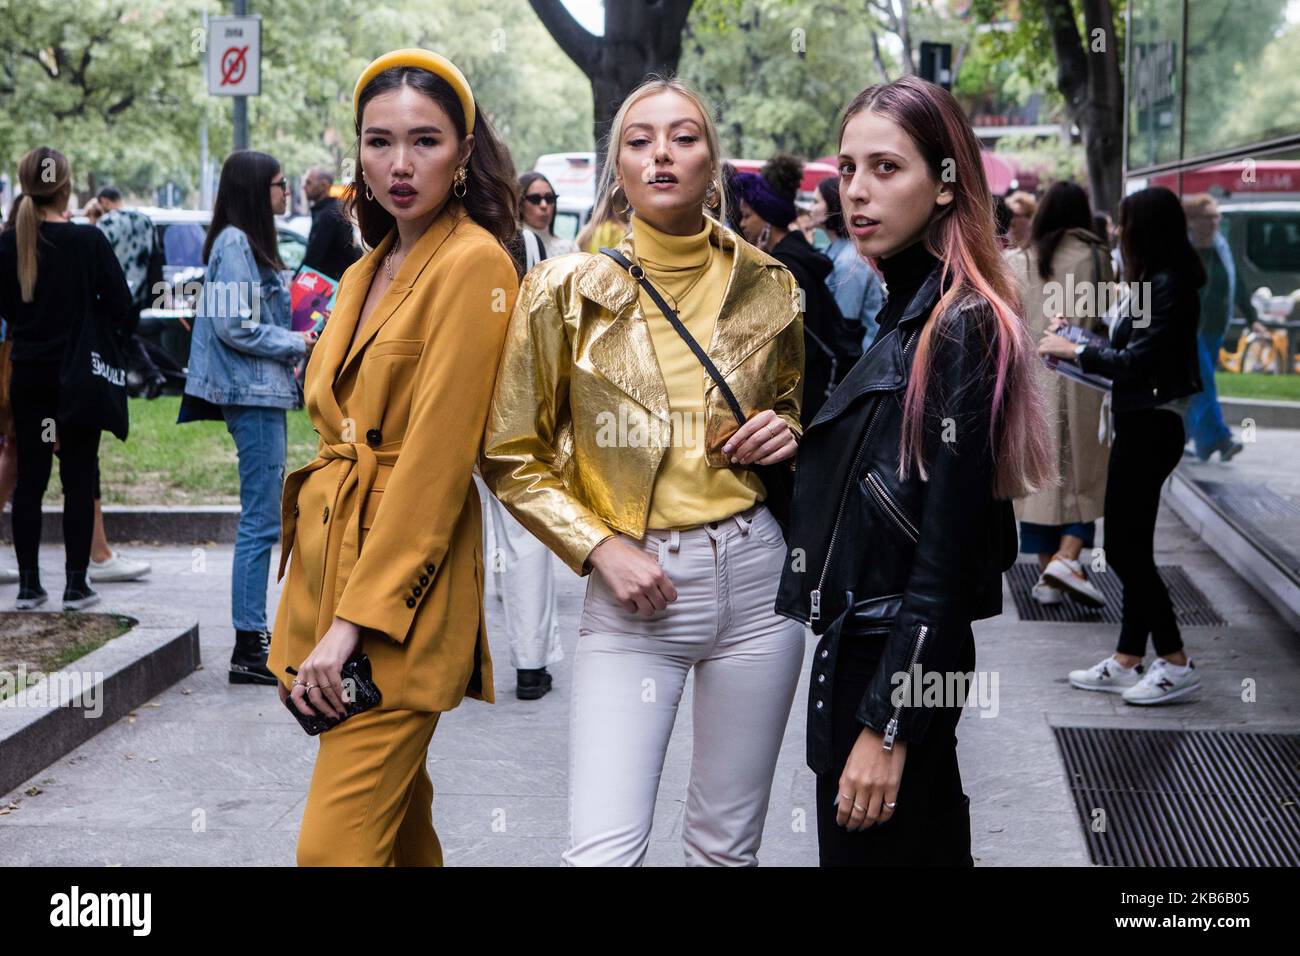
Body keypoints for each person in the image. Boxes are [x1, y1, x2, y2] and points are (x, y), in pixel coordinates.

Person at [483, 76, 806, 867]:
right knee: (602, 854)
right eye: (640, 140)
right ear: (617, 171)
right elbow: (508, 453)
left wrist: (786, 430)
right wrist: (599, 548)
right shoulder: (562, 290)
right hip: (637, 590)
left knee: (725, 851)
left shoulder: (771, 286)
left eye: (684, 136)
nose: (662, 153)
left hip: (760, 584)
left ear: (714, 163)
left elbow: (794, 403)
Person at [775, 75, 1053, 866]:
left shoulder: (960, 324)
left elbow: (946, 562)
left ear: (943, 184)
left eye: (886, 168)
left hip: (892, 660)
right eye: (848, 168)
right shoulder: (913, 308)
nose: (855, 192)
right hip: (868, 652)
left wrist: (887, 725)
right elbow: (890, 495)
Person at [268, 48, 519, 867]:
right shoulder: (372, 263)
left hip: (396, 603)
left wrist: (349, 628)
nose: (400, 165)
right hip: (335, 573)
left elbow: (436, 468)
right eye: (379, 142)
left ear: (465, 151)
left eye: (425, 140)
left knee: (331, 853)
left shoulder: (474, 262)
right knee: (400, 831)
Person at [1042, 187, 1204, 705]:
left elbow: (1138, 364)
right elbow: (1123, 351)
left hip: (1153, 426)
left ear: (1145, 230)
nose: (1116, 231)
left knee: (1130, 552)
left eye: (1124, 223)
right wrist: (1080, 341)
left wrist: (1074, 350)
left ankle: (1176, 662)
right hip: (1139, 423)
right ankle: (1129, 656)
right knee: (1132, 546)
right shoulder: (1152, 283)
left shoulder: (1170, 284)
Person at [183, 149, 315, 684]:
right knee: (261, 520)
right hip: (252, 395)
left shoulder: (242, 242)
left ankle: (251, 637)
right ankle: (248, 644)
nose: (287, 194)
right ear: (257, 190)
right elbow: (233, 326)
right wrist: (298, 340)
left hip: (259, 393)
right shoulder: (237, 243)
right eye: (280, 185)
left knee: (262, 518)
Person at [0, 147, 136, 610]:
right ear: (66, 187)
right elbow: (123, 307)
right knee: (79, 478)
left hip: (29, 377)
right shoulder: (89, 242)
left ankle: (28, 586)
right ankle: (76, 585)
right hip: (77, 380)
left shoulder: (8, 243)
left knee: (30, 481)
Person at [1006, 181, 1113, 607]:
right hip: (1082, 381)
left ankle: (1050, 573)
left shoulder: (1017, 260)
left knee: (1038, 484)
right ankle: (1066, 560)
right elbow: (1107, 319)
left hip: (1031, 385)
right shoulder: (1095, 255)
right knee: (1082, 478)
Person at [734, 154, 861, 426]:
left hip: (806, 403)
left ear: (767, 220)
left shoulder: (786, 269)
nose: (743, 225)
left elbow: (796, 345)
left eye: (747, 216)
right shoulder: (798, 258)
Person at [1183, 193, 1244, 462]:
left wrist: (1251, 315)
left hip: (1215, 327)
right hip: (1188, 328)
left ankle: (1201, 441)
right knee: (1204, 380)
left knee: (1201, 383)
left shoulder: (1221, 246)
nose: (1214, 222)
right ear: (1192, 221)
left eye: (1216, 216)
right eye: (1207, 217)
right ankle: (1219, 437)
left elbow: (1235, 280)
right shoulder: (1184, 249)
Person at [811, 175, 884, 350]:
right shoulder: (835, 252)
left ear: (831, 205)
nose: (810, 209)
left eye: (815, 202)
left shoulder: (849, 263)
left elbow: (845, 327)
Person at [302, 167, 362, 281]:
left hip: (333, 286)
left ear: (324, 185)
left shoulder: (328, 214)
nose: (304, 186)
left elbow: (313, 257)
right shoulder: (330, 210)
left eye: (309, 182)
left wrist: (296, 280)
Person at [518, 169, 578, 260]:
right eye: (535, 199)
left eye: (549, 198)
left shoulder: (570, 249)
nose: (544, 205)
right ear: (520, 204)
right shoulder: (509, 249)